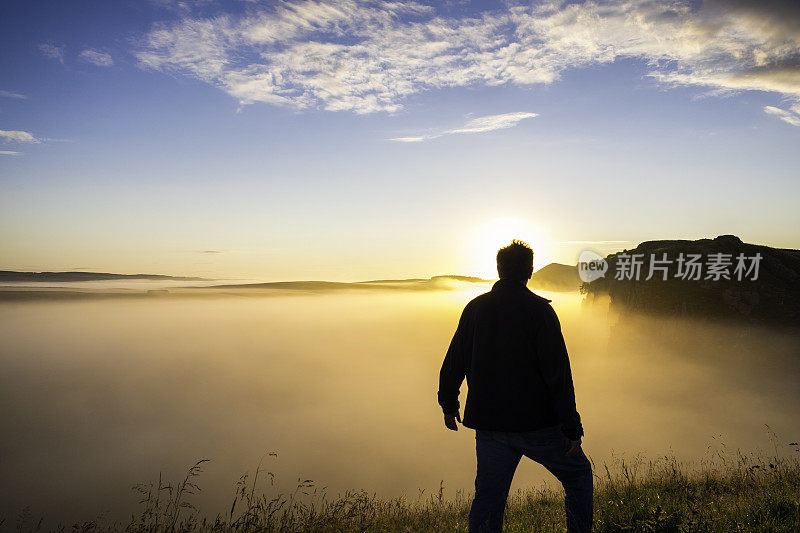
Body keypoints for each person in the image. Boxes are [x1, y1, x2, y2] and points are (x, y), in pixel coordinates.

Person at [438, 240, 593, 532]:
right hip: (538, 426)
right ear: (530, 271)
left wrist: (448, 404)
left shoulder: (475, 309)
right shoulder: (540, 312)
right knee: (578, 475)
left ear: (498, 269)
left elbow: (454, 360)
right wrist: (572, 428)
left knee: (488, 498)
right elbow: (558, 376)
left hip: (490, 426)